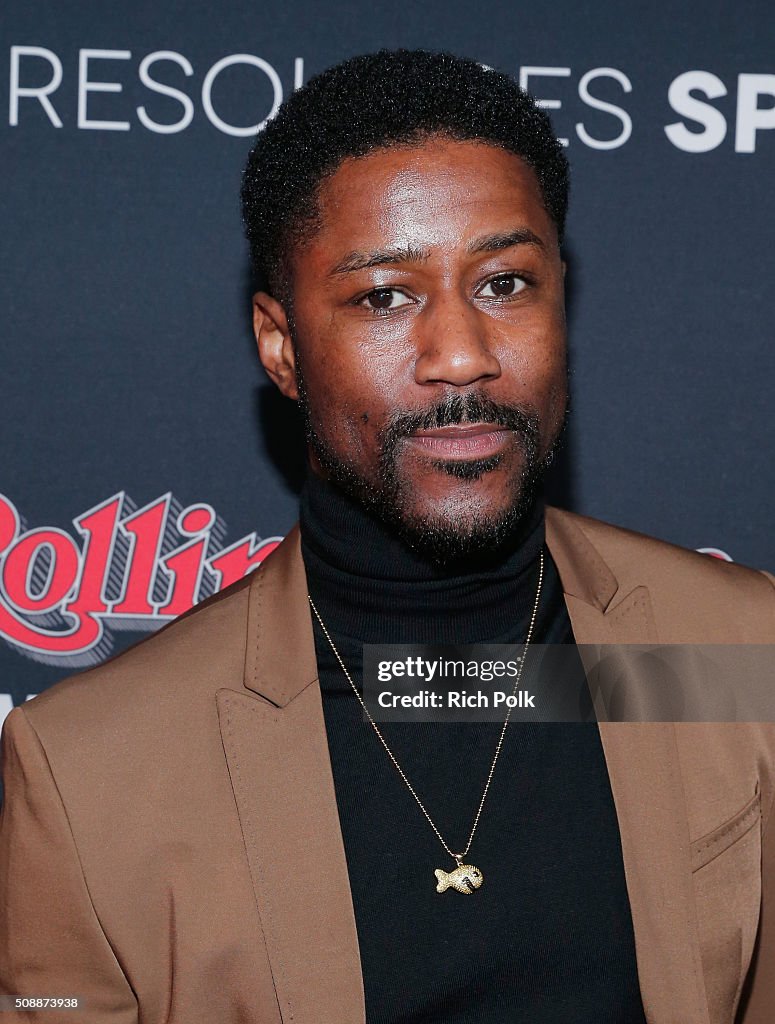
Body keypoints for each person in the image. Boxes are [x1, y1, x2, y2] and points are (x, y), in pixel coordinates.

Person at [1, 49, 774, 1024]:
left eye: (504, 283)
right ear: (281, 347)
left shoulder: (741, 658)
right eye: (383, 296)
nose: (461, 351)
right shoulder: (92, 773)